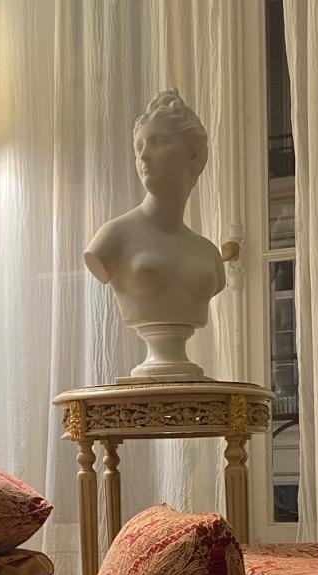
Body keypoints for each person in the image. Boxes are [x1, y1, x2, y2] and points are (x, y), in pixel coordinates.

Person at [84, 89, 225, 380]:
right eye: (138, 147)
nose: (144, 155)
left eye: (158, 141)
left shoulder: (208, 252)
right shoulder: (112, 238)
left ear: (195, 155)